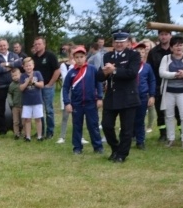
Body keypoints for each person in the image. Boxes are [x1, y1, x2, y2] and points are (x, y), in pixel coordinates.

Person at [97, 30, 140, 163]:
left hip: (128, 96)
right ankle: (115, 148)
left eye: (122, 42)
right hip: (112, 96)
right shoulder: (108, 56)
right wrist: (104, 72)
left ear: (128, 42)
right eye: (116, 42)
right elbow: (100, 76)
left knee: (126, 129)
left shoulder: (134, 55)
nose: (119, 44)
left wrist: (114, 70)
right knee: (106, 125)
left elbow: (132, 73)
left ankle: (122, 154)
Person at [62, 45, 104, 155]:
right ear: (73, 58)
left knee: (93, 125)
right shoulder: (71, 73)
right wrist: (67, 102)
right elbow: (65, 88)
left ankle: (98, 146)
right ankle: (77, 147)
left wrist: (99, 97)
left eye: (81, 56)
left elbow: (98, 83)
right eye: (77, 57)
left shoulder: (92, 69)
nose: (79, 59)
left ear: (85, 57)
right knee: (77, 126)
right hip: (77, 104)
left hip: (91, 102)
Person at [158, 35, 183, 148]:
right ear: (171, 48)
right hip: (169, 92)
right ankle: (170, 139)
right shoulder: (166, 58)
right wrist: (175, 75)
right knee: (169, 116)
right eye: (176, 45)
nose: (178, 48)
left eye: (181, 45)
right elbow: (162, 73)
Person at [30, 36, 61, 139]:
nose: (37, 46)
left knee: (48, 110)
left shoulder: (50, 56)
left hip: (47, 87)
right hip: (37, 88)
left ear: (44, 44)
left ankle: (50, 132)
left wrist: (51, 83)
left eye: (39, 44)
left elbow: (57, 70)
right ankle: (41, 131)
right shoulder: (33, 58)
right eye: (35, 44)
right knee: (39, 110)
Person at [0, 39, 22, 137]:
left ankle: (17, 129)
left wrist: (6, 64)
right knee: (0, 109)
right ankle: (2, 130)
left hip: (13, 86)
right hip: (0, 86)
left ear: (8, 46)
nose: (2, 47)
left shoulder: (14, 55)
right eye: (0, 46)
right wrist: (10, 67)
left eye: (4, 45)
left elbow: (18, 64)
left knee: (15, 107)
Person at [147, 30, 173, 141]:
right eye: (161, 34)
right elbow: (150, 70)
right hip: (158, 85)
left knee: (177, 111)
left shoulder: (175, 49)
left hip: (174, 85)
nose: (163, 37)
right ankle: (163, 133)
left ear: (170, 36)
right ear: (158, 36)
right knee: (160, 110)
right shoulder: (153, 52)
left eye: (166, 34)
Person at [132, 42, 156, 150]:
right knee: (129, 119)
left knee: (140, 119)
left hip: (142, 96)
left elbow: (152, 81)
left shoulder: (147, 67)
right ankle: (128, 138)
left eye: (142, 51)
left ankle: (140, 141)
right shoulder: (130, 66)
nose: (140, 54)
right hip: (130, 96)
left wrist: (152, 95)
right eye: (138, 51)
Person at [19, 57, 44, 142]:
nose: (28, 67)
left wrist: (33, 82)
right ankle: (28, 137)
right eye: (26, 66)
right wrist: (27, 81)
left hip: (37, 100)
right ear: (23, 67)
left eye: (30, 65)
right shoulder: (22, 76)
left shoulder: (37, 73)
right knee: (27, 119)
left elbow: (41, 85)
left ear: (33, 66)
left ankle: (39, 136)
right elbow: (21, 88)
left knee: (38, 119)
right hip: (27, 102)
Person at [56, 47, 75, 144]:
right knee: (65, 116)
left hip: (77, 92)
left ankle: (79, 136)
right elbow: (65, 79)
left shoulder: (81, 65)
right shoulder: (64, 65)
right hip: (67, 92)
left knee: (77, 116)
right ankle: (62, 137)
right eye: (72, 53)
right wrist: (72, 67)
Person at [7, 67, 23, 139]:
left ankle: (25, 133)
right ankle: (16, 134)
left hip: (23, 105)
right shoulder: (11, 85)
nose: (14, 77)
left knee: (24, 121)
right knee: (16, 121)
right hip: (15, 106)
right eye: (13, 76)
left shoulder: (23, 82)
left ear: (20, 74)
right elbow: (9, 93)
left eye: (16, 75)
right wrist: (11, 102)